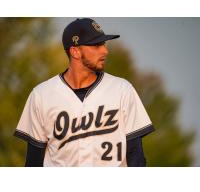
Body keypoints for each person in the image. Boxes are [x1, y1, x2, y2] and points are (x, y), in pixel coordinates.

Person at [14, 18, 154, 167]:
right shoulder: (41, 95)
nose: (105, 50)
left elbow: (136, 157)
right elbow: (33, 163)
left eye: (104, 44)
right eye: (96, 45)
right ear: (75, 51)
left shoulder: (123, 90)